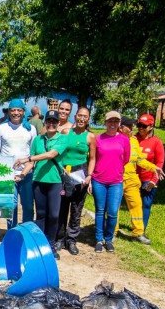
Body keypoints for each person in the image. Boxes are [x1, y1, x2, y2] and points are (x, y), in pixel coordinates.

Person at [22, 110, 72, 258]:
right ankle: (41, 244)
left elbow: (51, 155)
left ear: (58, 124)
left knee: (54, 215)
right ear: (45, 122)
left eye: (54, 121)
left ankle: (51, 243)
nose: (51, 124)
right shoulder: (37, 140)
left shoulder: (63, 139)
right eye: (49, 121)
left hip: (55, 182)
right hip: (38, 182)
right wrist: (22, 173)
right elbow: (33, 163)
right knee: (41, 214)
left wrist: (28, 158)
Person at [85, 110, 130, 253]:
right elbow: (92, 159)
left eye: (116, 121)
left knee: (112, 212)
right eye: (110, 121)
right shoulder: (98, 139)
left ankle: (109, 239)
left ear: (119, 123)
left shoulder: (124, 140)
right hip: (99, 180)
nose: (113, 124)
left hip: (116, 181)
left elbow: (126, 159)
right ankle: (99, 239)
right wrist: (91, 178)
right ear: (105, 122)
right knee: (100, 211)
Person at [116, 117, 162, 244]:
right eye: (129, 127)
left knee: (136, 205)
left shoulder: (134, 141)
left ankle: (138, 232)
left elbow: (140, 160)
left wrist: (154, 168)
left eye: (132, 126)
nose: (132, 129)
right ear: (121, 127)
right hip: (116, 178)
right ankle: (112, 231)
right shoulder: (114, 139)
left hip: (131, 179)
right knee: (114, 206)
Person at [54, 105, 90, 255]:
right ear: (75, 116)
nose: (81, 118)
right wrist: (61, 168)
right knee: (62, 207)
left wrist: (90, 176)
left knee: (76, 208)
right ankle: (59, 239)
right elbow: (58, 153)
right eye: (79, 115)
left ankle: (72, 240)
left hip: (81, 174)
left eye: (85, 116)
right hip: (65, 172)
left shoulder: (90, 137)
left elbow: (93, 158)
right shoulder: (66, 132)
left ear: (88, 119)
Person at [0, 98, 35, 228]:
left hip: (27, 174)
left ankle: (27, 231)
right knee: (11, 207)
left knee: (28, 206)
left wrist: (25, 172)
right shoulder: (1, 129)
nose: (16, 113)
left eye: (19, 110)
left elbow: (34, 154)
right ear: (9, 112)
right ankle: (12, 232)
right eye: (13, 110)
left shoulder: (31, 129)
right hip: (8, 175)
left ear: (23, 111)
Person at [135, 113, 165, 236]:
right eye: (139, 125)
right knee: (134, 204)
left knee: (146, 204)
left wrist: (154, 180)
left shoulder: (156, 142)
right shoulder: (133, 139)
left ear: (151, 127)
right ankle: (135, 227)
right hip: (134, 178)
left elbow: (160, 162)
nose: (140, 128)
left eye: (144, 126)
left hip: (148, 179)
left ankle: (141, 231)